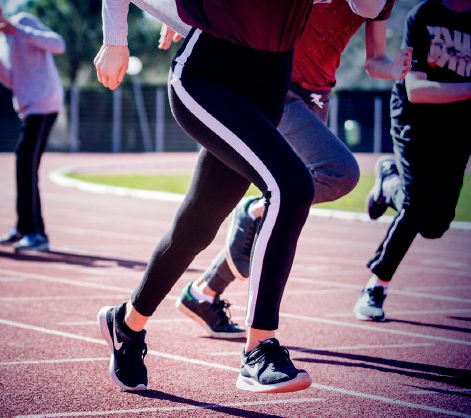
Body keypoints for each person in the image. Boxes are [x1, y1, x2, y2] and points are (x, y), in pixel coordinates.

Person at [94, 0, 388, 393]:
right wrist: (117, 40)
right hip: (207, 76)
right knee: (293, 186)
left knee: (197, 227)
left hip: (269, 84)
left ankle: (126, 324)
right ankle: (259, 350)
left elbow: (366, 7)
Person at [160, 0, 412, 339]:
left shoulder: (380, 2)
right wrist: (187, 15)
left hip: (317, 96)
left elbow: (374, 60)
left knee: (282, 213)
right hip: (277, 86)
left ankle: (204, 293)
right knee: (337, 173)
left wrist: (394, 69)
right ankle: (254, 212)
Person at [354, 0, 471, 322]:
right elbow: (416, 89)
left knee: (435, 225)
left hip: (458, 125)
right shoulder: (425, 14)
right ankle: (376, 287)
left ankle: (389, 183)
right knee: (416, 204)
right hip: (415, 119)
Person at [0, 0, 66, 252]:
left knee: (25, 164)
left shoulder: (23, 21)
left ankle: (37, 234)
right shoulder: (2, 43)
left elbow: (58, 44)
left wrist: (15, 29)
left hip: (45, 103)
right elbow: (9, 79)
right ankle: (23, 227)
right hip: (28, 108)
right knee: (24, 167)